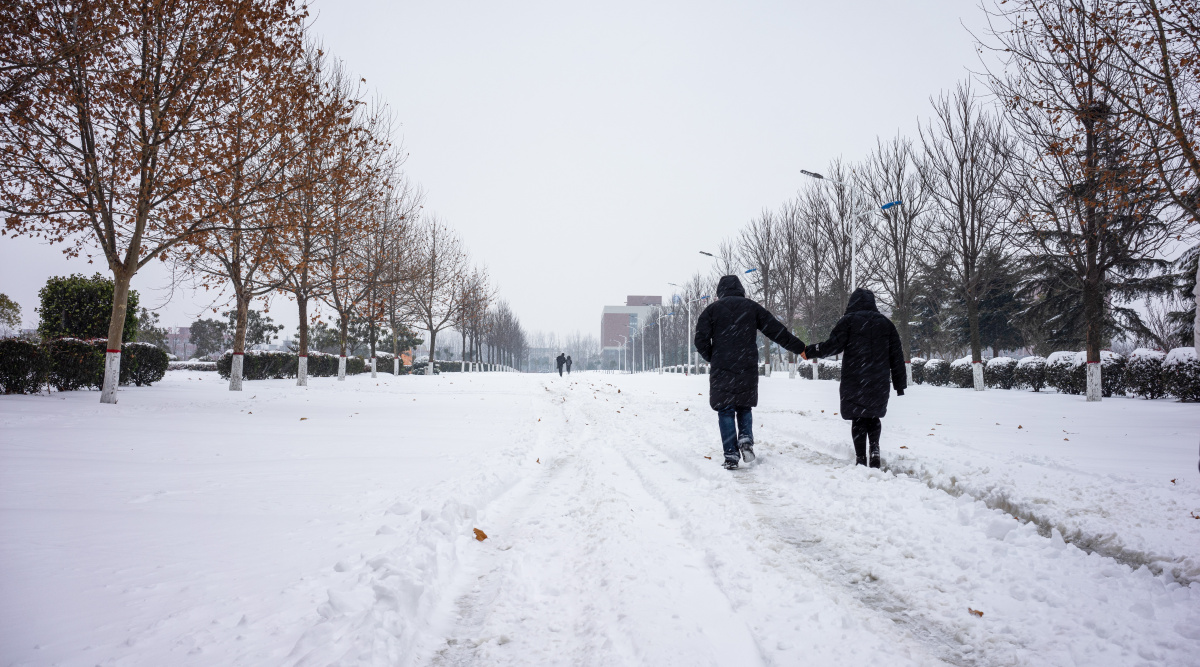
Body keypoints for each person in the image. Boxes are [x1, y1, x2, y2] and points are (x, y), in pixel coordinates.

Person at [695, 275, 808, 470]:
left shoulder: (711, 311)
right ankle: (745, 438)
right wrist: (800, 348)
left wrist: (713, 356)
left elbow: (700, 339)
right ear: (740, 289)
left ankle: (731, 454)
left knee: (725, 409)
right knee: (744, 405)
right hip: (746, 364)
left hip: (722, 367)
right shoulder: (751, 307)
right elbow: (776, 330)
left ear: (720, 291)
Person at [802, 288, 906, 468]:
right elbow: (896, 356)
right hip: (879, 380)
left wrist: (810, 351)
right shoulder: (886, 324)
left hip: (855, 378)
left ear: (853, 303)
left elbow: (832, 346)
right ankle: (874, 450)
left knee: (858, 417)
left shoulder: (848, 322)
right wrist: (899, 384)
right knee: (873, 416)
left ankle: (860, 458)